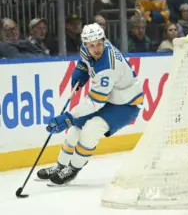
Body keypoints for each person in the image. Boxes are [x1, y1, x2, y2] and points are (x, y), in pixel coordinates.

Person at [36, 23, 143, 185]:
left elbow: (95, 103)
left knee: (91, 129)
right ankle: (60, 166)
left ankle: (72, 169)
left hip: (126, 105)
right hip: (110, 98)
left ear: (104, 40)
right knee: (75, 130)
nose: (96, 48)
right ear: (85, 44)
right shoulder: (87, 50)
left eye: (99, 44)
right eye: (91, 45)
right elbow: (85, 60)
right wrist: (81, 69)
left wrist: (68, 116)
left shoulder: (108, 67)